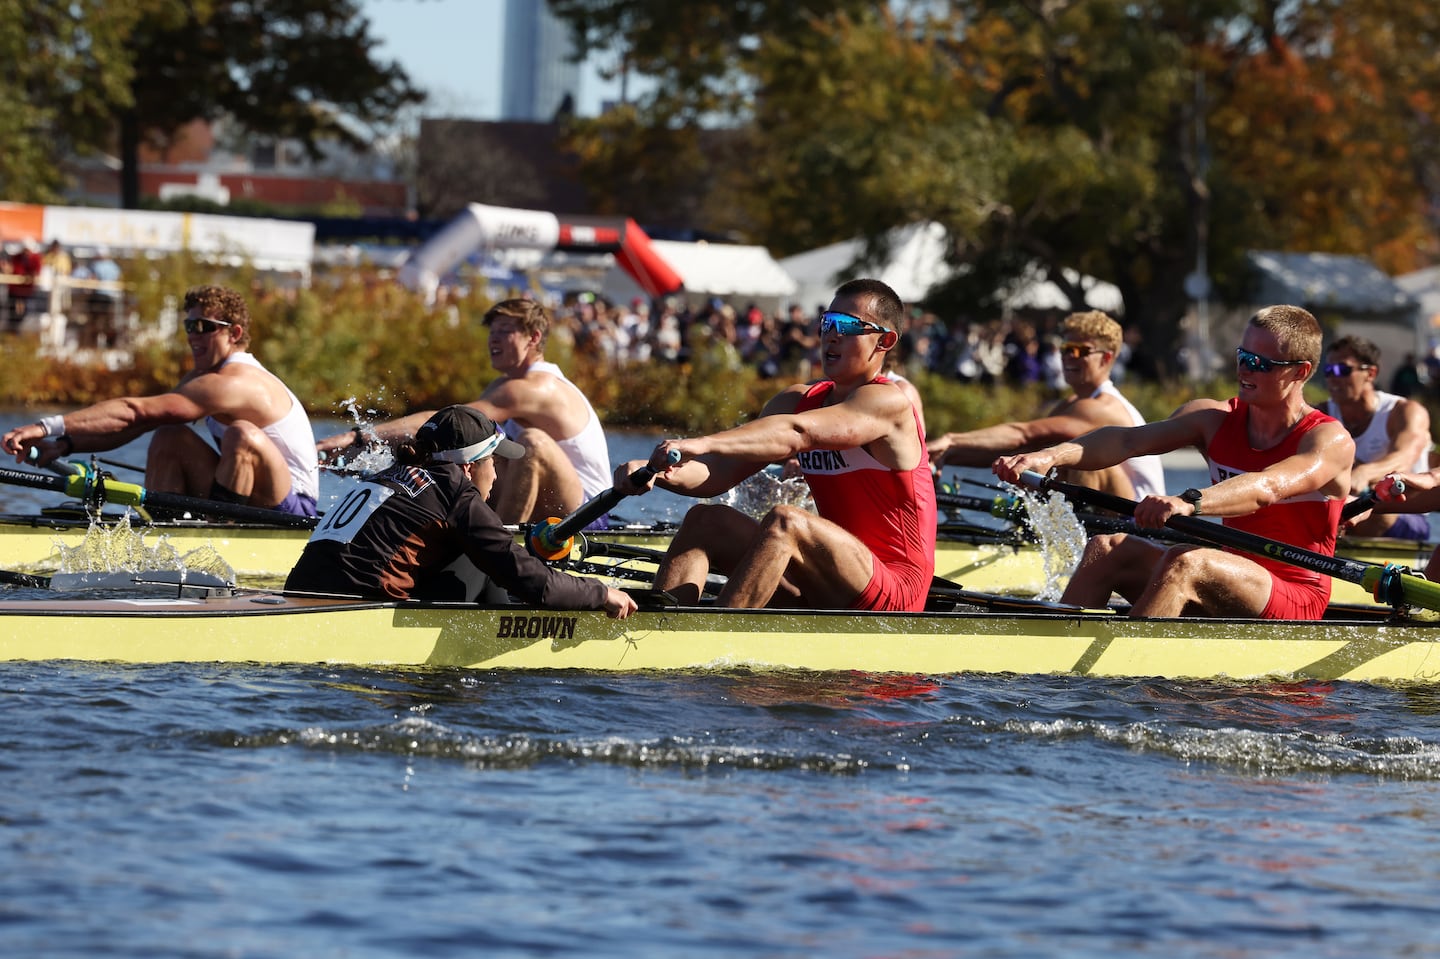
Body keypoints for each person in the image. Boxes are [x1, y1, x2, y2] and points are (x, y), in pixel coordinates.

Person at [993, 305, 1354, 620]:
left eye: (1260, 364)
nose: (1245, 371)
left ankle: (1129, 678)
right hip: (1228, 577)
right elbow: (1125, 440)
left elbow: (1268, 486)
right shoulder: (1214, 421)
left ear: (1300, 372)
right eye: (1242, 357)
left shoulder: (1327, 440)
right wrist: (1048, 456)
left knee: (1186, 560)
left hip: (1294, 593)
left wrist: (1188, 502)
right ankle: (1054, 668)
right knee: (1107, 547)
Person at [614, 278, 936, 611]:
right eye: (827, 322)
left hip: (895, 590)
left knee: (787, 521)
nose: (832, 334)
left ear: (885, 341)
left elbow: (798, 433)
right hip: (826, 577)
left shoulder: (889, 402)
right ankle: (659, 633)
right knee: (704, 521)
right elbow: (717, 472)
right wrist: (655, 471)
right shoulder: (797, 399)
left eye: (848, 325)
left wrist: (702, 441)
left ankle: (712, 636)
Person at [1, 285, 321, 516]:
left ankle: (222, 530)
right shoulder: (203, 377)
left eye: (204, 327)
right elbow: (141, 420)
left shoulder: (236, 381)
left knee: (242, 434)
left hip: (291, 506)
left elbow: (133, 410)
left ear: (234, 334)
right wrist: (64, 445)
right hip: (244, 492)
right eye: (188, 326)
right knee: (168, 433)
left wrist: (45, 427)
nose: (192, 336)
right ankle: (161, 531)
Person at [286, 405, 636, 616]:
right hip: (355, 612)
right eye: (493, 462)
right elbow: (534, 583)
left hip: (298, 593)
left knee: (479, 551)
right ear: (469, 466)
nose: (497, 474)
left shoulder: (389, 474)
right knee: (484, 559)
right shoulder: (453, 489)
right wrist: (599, 592)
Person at [317, 298, 611, 525]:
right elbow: (452, 438)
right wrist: (376, 456)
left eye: (505, 332)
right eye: (492, 332)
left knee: (533, 442)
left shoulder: (537, 387)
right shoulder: (504, 385)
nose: (493, 340)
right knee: (463, 451)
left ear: (533, 338)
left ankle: (500, 549)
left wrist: (354, 437)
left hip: (584, 514)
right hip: (540, 502)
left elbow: (448, 421)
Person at [928, 310, 1165, 499]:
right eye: (1064, 349)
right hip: (1105, 513)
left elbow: (1024, 433)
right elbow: (1017, 448)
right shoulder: (1070, 404)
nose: (1068, 357)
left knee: (1068, 455)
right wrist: (947, 456)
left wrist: (951, 439)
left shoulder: (1104, 406)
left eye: (1079, 350)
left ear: (1106, 358)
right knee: (1035, 455)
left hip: (1137, 524)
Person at [1320, 335, 1432, 539]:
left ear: (1371, 373)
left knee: (1363, 505)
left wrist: (1363, 473)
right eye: (1328, 370)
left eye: (1342, 370)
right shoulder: (1322, 413)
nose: (1332, 377)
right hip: (1349, 507)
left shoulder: (1405, 411)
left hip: (1403, 516)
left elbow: (1404, 458)